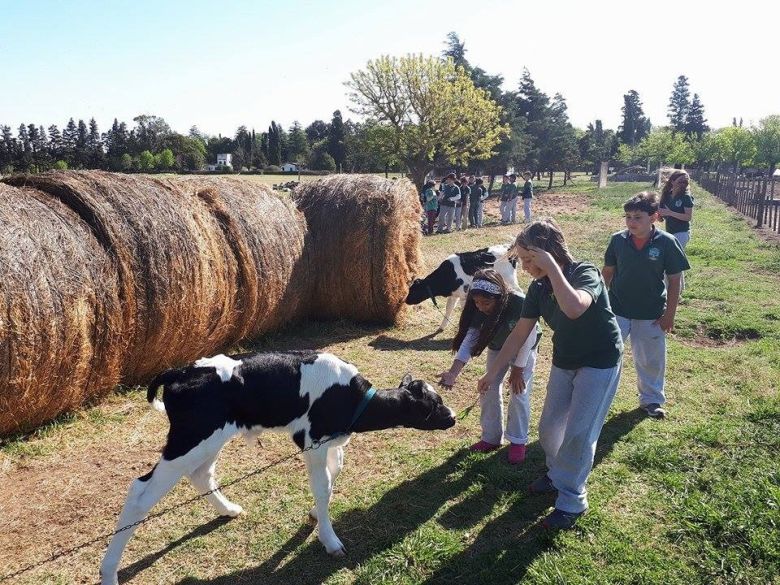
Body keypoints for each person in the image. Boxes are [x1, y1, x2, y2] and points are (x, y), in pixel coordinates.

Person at [477, 219, 623, 530]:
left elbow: (574, 308)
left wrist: (552, 268)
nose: (527, 268)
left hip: (600, 361)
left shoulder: (585, 272)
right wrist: (494, 372)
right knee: (548, 428)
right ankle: (558, 474)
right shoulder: (538, 288)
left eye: (531, 260)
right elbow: (518, 335)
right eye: (524, 261)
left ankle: (572, 499)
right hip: (565, 359)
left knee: (580, 434)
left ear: (550, 251)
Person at [602, 192, 689, 419]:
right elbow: (607, 274)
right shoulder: (618, 240)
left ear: (654, 217)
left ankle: (651, 400)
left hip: (650, 313)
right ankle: (599, 399)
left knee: (651, 359)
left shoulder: (666, 242)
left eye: (638, 217)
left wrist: (669, 314)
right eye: (628, 216)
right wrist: (599, 307)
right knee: (606, 354)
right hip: (617, 310)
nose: (631, 222)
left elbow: (674, 280)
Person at [438, 269, 540, 464]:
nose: (481, 307)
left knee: (518, 391)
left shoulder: (519, 302)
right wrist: (453, 372)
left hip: (524, 348)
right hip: (497, 346)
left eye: (486, 303)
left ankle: (518, 441)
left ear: (500, 298)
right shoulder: (478, 308)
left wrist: (518, 369)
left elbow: (529, 337)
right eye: (476, 302)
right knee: (488, 387)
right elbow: (471, 338)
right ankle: (491, 437)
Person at [658, 169, 694, 290]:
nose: (684, 183)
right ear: (672, 181)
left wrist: (670, 212)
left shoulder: (686, 197)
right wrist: (661, 215)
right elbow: (661, 218)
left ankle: (670, 289)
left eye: (686, 181)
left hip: (682, 233)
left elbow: (687, 217)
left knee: (670, 260)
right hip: (670, 233)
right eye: (681, 180)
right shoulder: (667, 196)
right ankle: (679, 289)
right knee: (675, 260)